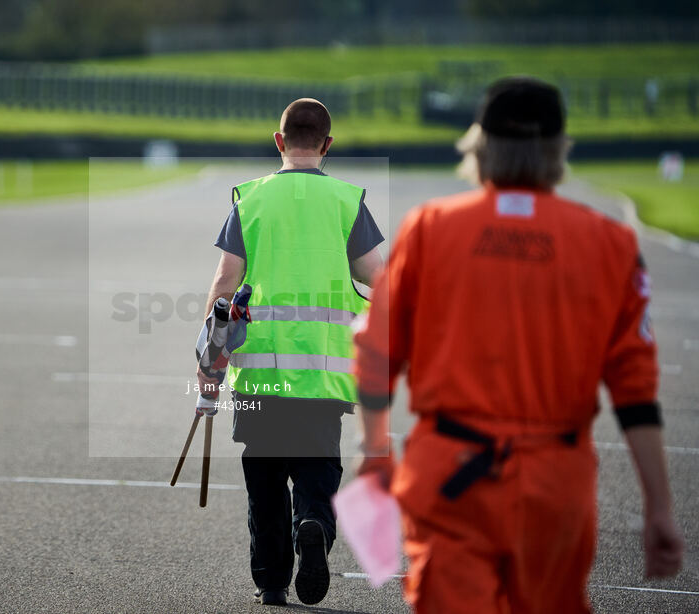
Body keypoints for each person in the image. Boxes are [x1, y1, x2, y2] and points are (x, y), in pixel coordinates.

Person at [352, 77, 684, 614]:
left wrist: (375, 450)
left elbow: (376, 352)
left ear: (478, 146)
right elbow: (635, 386)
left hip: (452, 474)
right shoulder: (609, 242)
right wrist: (659, 507)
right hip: (556, 484)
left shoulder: (432, 228)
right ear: (558, 150)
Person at [197, 98, 384, 606]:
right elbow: (383, 280)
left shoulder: (250, 200)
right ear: (327, 146)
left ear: (278, 142)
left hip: (260, 374)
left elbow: (223, 286)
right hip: (324, 375)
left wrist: (209, 364)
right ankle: (314, 524)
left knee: (263, 473)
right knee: (318, 463)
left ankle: (273, 581)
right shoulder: (347, 202)